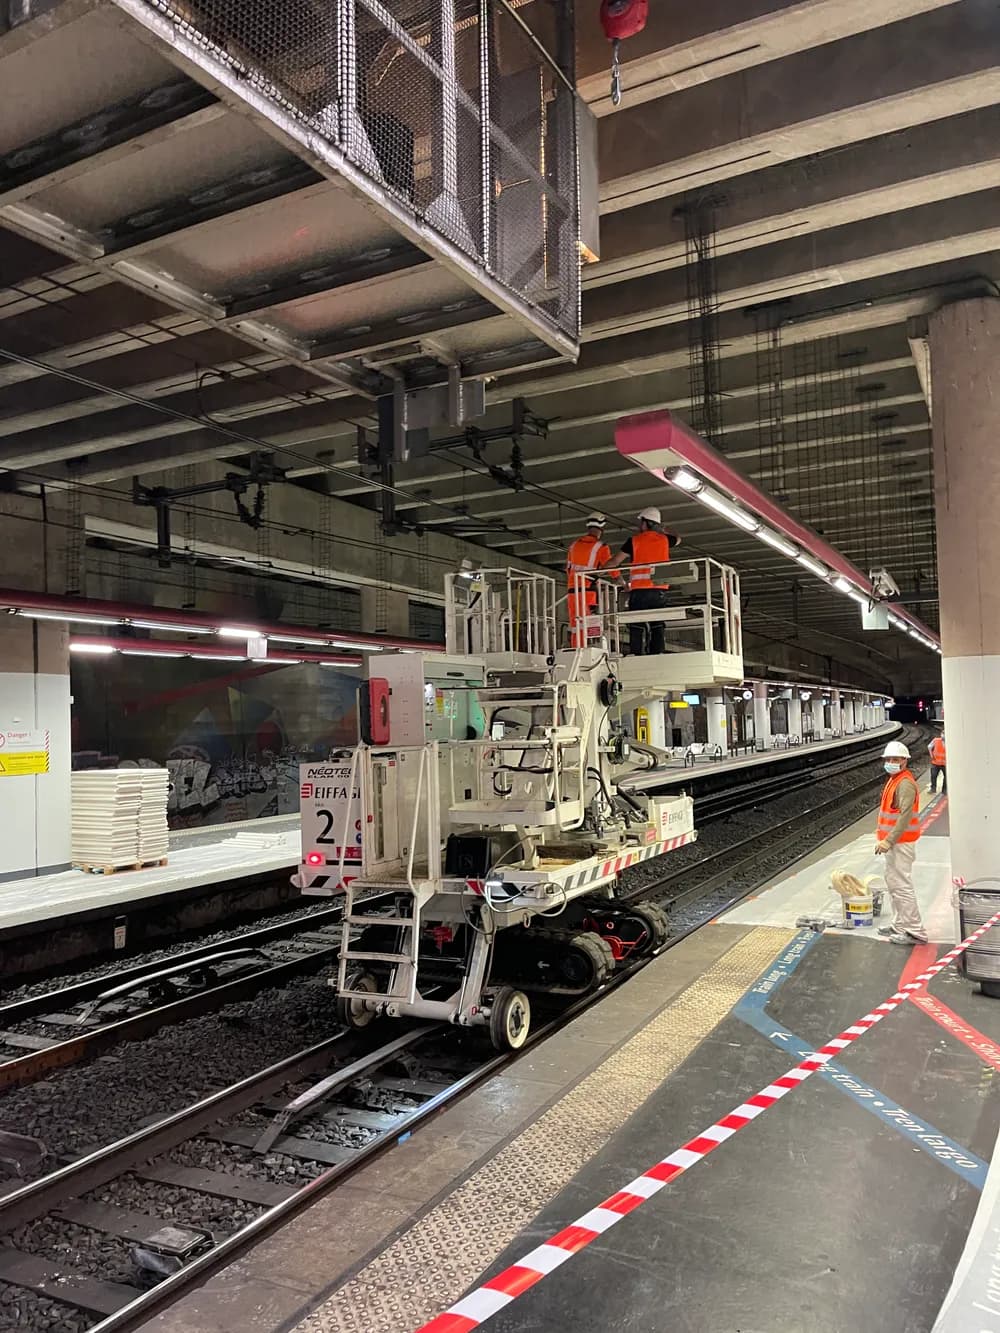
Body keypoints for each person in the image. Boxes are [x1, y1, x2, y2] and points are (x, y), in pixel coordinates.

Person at [605, 508, 681, 655]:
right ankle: (657, 652)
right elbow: (678, 538)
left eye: (641, 522)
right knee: (657, 624)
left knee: (637, 623)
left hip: (639, 591)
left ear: (646, 523)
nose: (639, 526)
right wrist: (665, 529)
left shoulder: (634, 541)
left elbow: (614, 562)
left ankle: (637, 653)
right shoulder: (665, 540)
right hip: (659, 591)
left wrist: (601, 569)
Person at [874, 740, 928, 946]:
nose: (891, 762)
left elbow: (904, 816)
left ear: (904, 761)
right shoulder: (895, 779)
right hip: (894, 842)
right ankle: (900, 925)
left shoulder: (904, 783)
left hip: (900, 843)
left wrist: (888, 840)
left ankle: (915, 930)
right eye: (888, 759)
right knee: (894, 884)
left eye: (895, 759)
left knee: (902, 885)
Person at [566, 514, 613, 647]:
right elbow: (612, 567)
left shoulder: (574, 545)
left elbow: (568, 568)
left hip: (572, 590)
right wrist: (622, 583)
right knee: (588, 621)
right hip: (587, 591)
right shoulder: (601, 546)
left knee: (575, 623)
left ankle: (576, 648)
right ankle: (585, 648)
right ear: (602, 528)